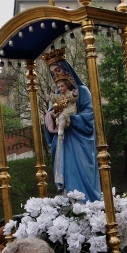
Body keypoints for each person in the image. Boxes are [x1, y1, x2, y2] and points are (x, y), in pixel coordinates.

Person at [42, 48, 101, 202]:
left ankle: (86, 202)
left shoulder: (82, 92)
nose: (56, 76)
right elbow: (49, 117)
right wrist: (51, 115)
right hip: (62, 141)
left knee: (78, 173)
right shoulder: (57, 95)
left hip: (79, 142)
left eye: (58, 71)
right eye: (53, 74)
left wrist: (70, 119)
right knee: (66, 174)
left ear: (66, 71)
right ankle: (68, 204)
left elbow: (89, 118)